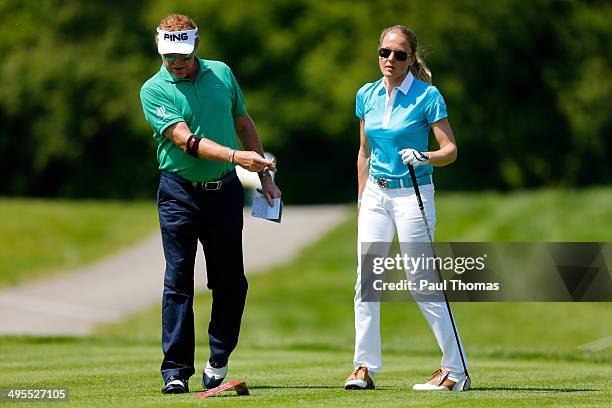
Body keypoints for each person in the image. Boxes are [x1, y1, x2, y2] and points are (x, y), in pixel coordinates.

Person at [139, 14, 281, 394]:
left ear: (196, 46)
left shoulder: (221, 73)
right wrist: (236, 157)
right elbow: (185, 140)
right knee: (178, 280)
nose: (176, 63)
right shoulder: (153, 90)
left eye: (182, 54)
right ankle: (175, 371)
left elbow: (243, 120)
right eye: (169, 56)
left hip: (224, 191)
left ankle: (218, 358)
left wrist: (264, 174)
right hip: (178, 193)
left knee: (230, 281)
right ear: (159, 50)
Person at [344, 25, 470, 392]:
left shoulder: (427, 96)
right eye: (385, 52)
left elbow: (450, 151)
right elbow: (364, 153)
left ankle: (455, 371)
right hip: (376, 198)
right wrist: (360, 200)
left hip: (413, 194)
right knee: (366, 282)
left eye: (399, 55)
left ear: (411, 58)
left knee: (422, 283)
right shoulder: (366, 95)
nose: (390, 60)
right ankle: (363, 367)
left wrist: (425, 155)